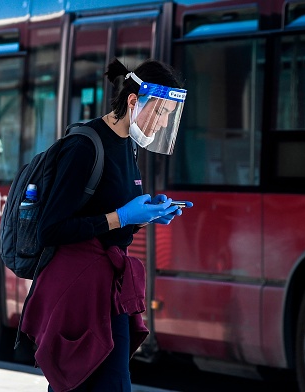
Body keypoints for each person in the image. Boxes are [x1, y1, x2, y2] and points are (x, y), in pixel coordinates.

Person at [20, 58, 190, 392]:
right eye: (159, 113)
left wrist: (146, 216)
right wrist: (122, 216)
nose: (160, 124)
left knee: (106, 384)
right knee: (85, 384)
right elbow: (51, 229)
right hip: (79, 292)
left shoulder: (128, 146)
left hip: (109, 292)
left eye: (168, 117)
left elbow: (110, 221)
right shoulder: (84, 147)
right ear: (133, 101)